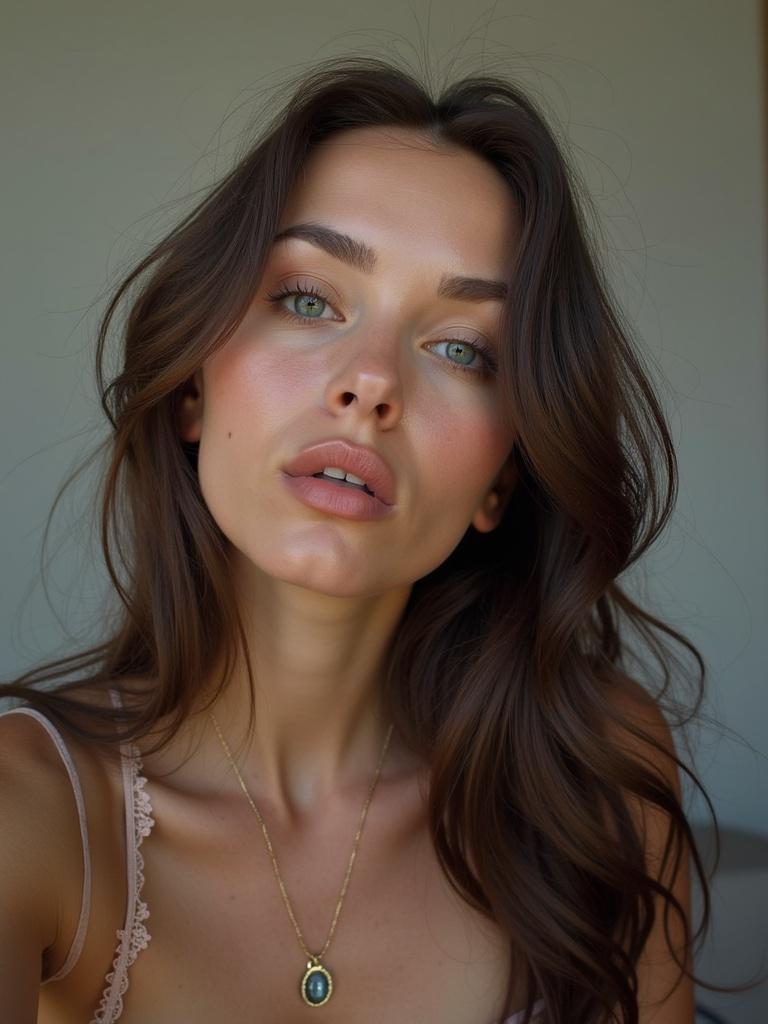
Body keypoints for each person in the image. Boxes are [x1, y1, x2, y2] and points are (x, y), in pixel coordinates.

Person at [0, 54, 724, 1023]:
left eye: (462, 348)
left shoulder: (595, 776)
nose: (372, 380)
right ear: (189, 385)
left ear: (499, 480)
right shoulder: (32, 811)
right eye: (310, 299)